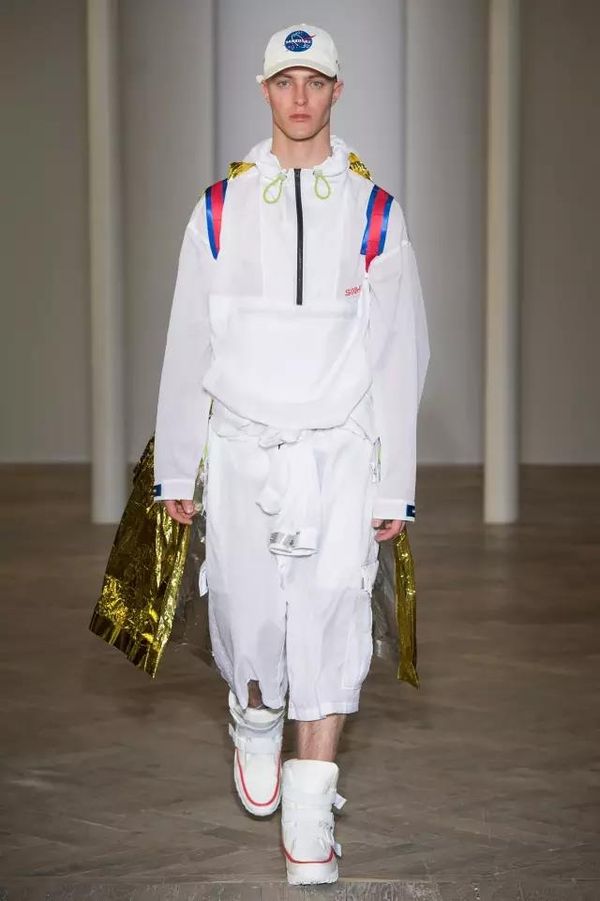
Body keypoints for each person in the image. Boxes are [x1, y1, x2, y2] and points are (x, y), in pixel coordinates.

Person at [152, 23, 430, 886]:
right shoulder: (219, 209)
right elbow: (187, 340)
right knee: (247, 616)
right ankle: (253, 711)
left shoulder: (375, 211)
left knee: (332, 621)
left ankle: (310, 819)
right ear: (265, 90)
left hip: (338, 452)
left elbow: (400, 351)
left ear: (338, 90)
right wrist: (177, 464)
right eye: (285, 81)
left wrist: (394, 483)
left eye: (315, 81)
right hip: (242, 448)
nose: (300, 97)